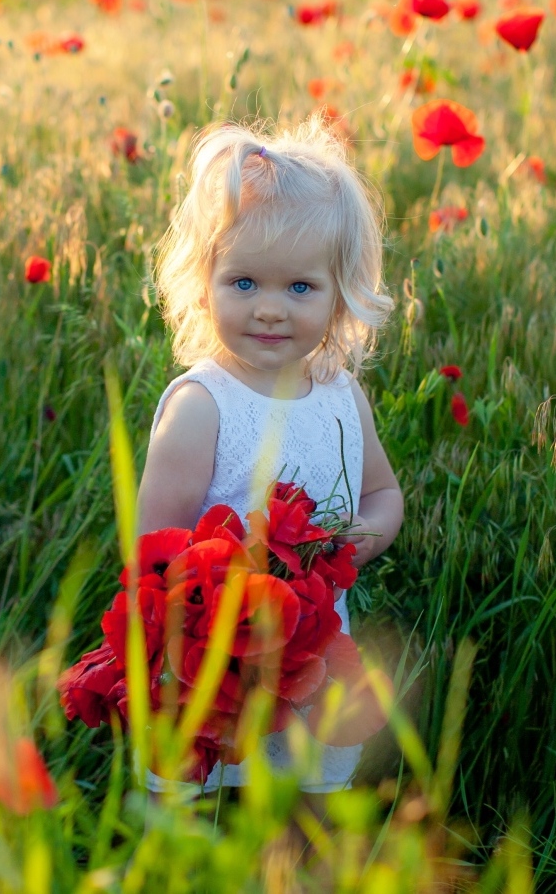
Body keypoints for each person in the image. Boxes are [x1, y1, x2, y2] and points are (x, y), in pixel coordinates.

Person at [137, 114, 404, 803]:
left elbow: (383, 496)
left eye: (300, 288)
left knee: (302, 802)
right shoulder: (203, 406)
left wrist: (344, 550)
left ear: (341, 293)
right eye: (245, 283)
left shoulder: (342, 397)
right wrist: (221, 588)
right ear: (205, 282)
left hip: (310, 647)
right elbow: (151, 548)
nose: (271, 310)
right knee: (205, 797)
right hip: (213, 653)